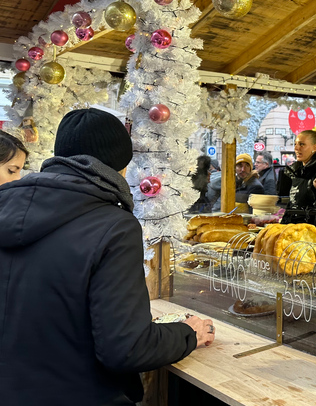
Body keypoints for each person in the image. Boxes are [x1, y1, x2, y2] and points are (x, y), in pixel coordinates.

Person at [0, 108, 215, 405]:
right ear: (120, 166)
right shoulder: (113, 225)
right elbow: (126, 348)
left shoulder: (5, 206)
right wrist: (187, 334)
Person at [281, 126, 316, 241]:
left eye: (302, 144)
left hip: (315, 229)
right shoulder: (294, 169)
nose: (296, 148)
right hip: (292, 226)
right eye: (295, 144)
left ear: (314, 147)